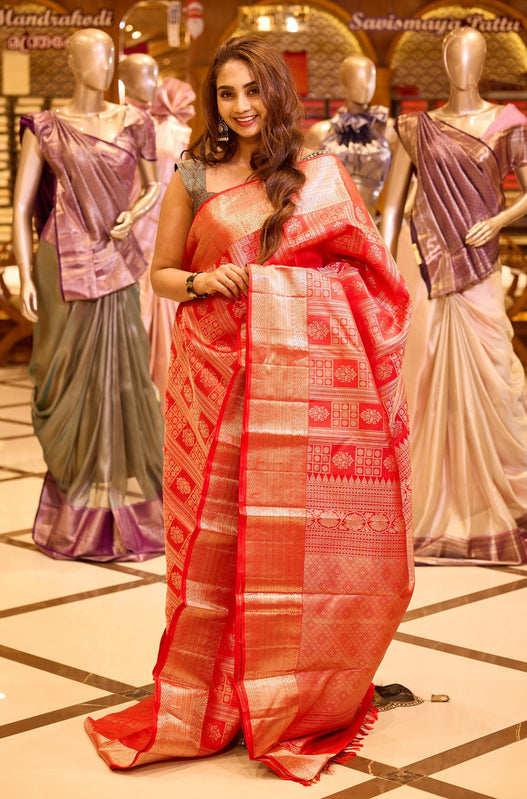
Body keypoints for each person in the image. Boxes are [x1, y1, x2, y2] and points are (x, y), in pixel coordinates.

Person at [85, 35, 413, 784]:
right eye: (226, 94)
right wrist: (206, 286)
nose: (239, 108)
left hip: (302, 401)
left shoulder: (317, 176)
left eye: (252, 92)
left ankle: (295, 689)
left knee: (296, 545)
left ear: (276, 93)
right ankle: (223, 692)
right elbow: (163, 273)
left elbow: (372, 282)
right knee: (222, 541)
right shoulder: (195, 174)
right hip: (219, 385)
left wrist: (285, 292)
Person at [381, 26, 527, 564]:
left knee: (494, 376)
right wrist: (381, 266)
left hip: (481, 266)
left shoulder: (510, 123)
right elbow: (393, 207)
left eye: (472, 54)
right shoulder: (415, 128)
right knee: (430, 378)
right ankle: (442, 501)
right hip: (430, 266)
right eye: (455, 55)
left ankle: (500, 500)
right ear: (444, 63)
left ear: (485, 60)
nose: (463, 64)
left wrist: (499, 220)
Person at [12, 29, 165, 561]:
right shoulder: (48, 128)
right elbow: (21, 207)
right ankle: (75, 496)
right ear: (75, 65)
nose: (106, 66)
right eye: (96, 57)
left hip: (116, 261)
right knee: (62, 373)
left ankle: (119, 503)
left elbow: (153, 186)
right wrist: (26, 276)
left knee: (124, 376)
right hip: (61, 262)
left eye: (109, 56)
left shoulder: (134, 123)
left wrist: (137, 213)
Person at [120, 54, 196, 398]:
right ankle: (128, 383)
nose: (152, 82)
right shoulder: (117, 121)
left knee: (160, 283)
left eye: (155, 74)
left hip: (164, 218)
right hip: (126, 222)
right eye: (143, 75)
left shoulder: (177, 129)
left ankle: (160, 384)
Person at [305, 55, 394, 217]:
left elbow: (408, 182)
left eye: (370, 79)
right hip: (333, 223)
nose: (365, 86)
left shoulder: (389, 130)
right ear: (344, 82)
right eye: (358, 79)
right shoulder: (321, 132)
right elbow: (303, 188)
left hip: (376, 222)